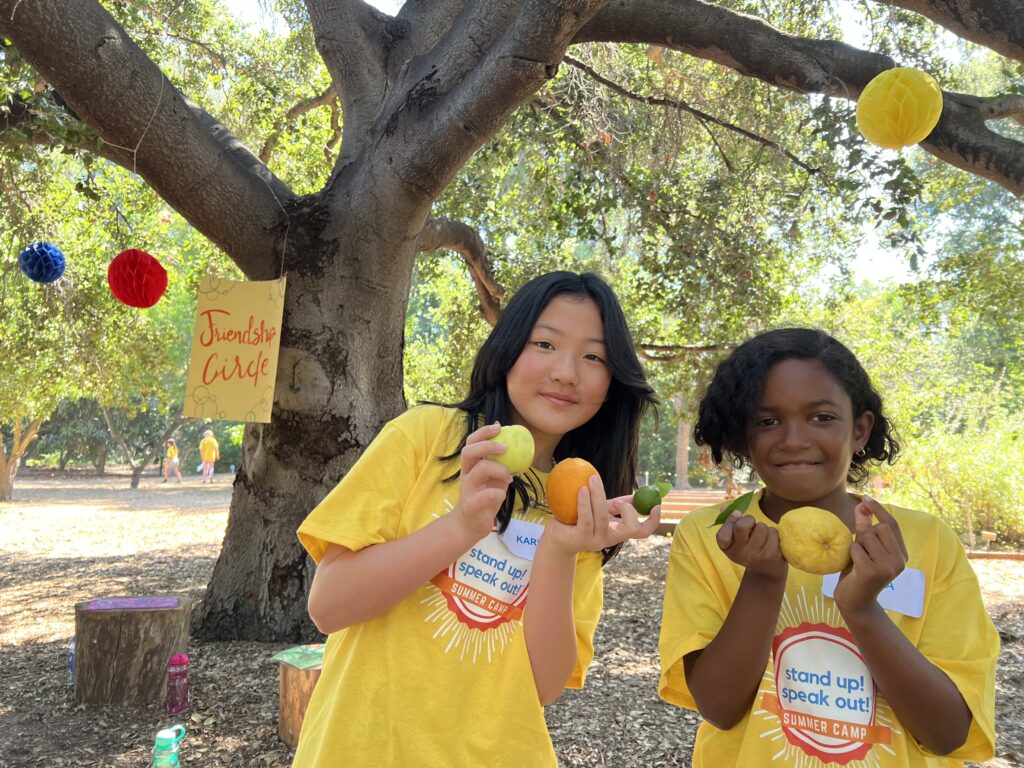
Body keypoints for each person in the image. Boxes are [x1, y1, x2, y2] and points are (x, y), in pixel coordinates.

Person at [293, 271, 663, 768]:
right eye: (545, 344)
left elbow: (544, 684)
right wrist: (461, 526)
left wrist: (559, 548)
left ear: (613, 381)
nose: (566, 373)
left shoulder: (581, 503)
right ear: (508, 347)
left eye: (593, 357)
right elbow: (329, 606)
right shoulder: (427, 437)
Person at [659, 328, 998, 766]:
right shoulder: (713, 536)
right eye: (767, 421)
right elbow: (720, 708)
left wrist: (862, 609)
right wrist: (763, 580)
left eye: (821, 417)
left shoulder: (926, 542)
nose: (794, 439)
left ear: (860, 430)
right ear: (743, 435)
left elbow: (948, 732)